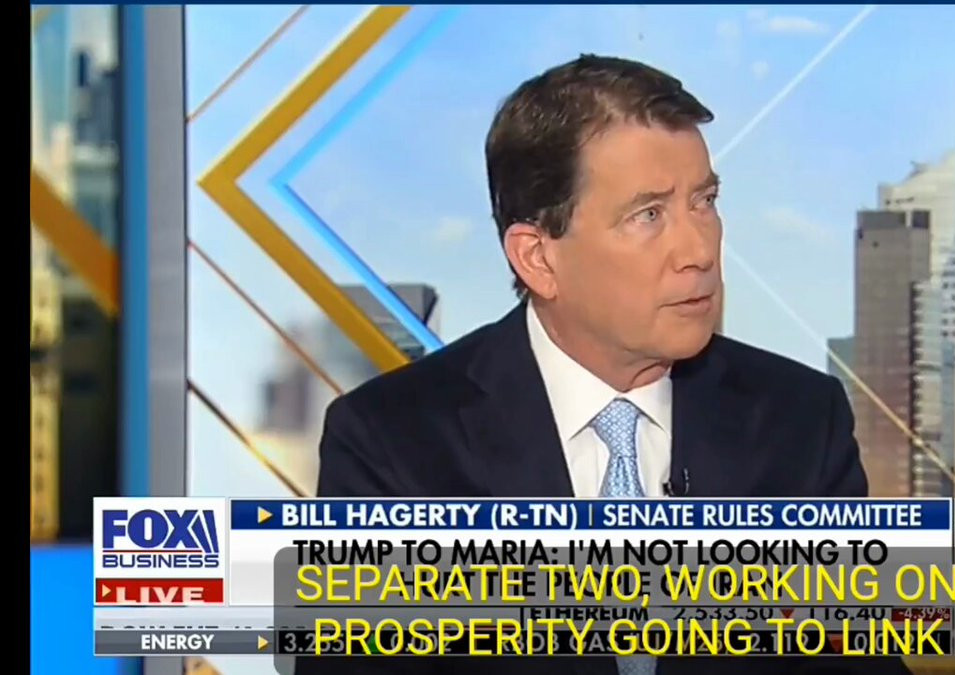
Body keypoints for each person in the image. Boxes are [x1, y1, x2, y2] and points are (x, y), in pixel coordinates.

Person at [299, 54, 909, 675]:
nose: (699, 249)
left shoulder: (799, 420)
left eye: (704, 201)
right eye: (649, 215)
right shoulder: (392, 446)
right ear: (537, 257)